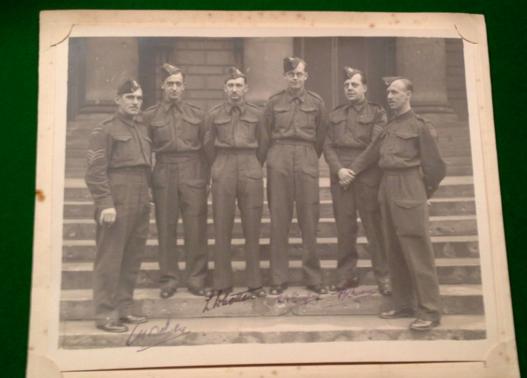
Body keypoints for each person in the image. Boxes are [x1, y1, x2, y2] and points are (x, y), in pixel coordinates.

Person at [350, 77, 447, 331]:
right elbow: (372, 152)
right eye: (388, 92)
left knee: (417, 249)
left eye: (395, 92)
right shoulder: (389, 126)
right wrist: (349, 171)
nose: (390, 96)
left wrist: (420, 191)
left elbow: (435, 167)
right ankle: (404, 304)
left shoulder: (421, 126)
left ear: (408, 95)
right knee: (393, 249)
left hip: (409, 186)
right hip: (387, 187)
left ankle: (430, 310)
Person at [85, 80, 151, 332]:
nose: (135, 102)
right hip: (118, 197)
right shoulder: (105, 130)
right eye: (130, 97)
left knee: (132, 258)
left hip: (140, 195)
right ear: (117, 100)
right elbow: (95, 173)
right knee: (110, 259)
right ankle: (104, 314)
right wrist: (105, 204)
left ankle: (123, 309)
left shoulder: (141, 129)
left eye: (138, 98)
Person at [143, 63, 210, 299]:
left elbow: (207, 150)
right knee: (166, 227)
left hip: (193, 169)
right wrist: (149, 183)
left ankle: (197, 278)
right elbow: (144, 151)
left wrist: (205, 178)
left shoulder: (197, 114)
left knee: (196, 228)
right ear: (163, 86)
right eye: (169, 84)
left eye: (178, 84)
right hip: (164, 170)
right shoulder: (150, 115)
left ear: (184, 87)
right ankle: (169, 279)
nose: (174, 88)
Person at [323, 67, 391, 296]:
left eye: (354, 84)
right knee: (344, 228)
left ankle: (384, 276)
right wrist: (339, 170)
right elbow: (327, 145)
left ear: (365, 87)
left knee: (374, 228)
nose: (350, 88)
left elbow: (376, 146)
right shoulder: (335, 114)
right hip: (341, 175)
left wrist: (352, 170)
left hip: (367, 174)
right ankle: (345, 275)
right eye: (346, 85)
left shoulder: (377, 112)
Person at [263, 57, 328, 295]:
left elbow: (321, 135)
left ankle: (313, 277)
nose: (295, 78)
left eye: (299, 74)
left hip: (306, 155)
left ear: (306, 76)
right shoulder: (273, 102)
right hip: (279, 155)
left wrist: (308, 155)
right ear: (285, 77)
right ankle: (278, 278)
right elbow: (265, 134)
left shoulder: (317, 102)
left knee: (309, 219)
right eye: (291, 74)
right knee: (279, 219)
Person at [204, 67, 268, 298]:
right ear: (224, 88)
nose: (234, 90)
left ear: (246, 89)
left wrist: (251, 163)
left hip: (250, 165)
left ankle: (254, 282)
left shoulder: (258, 114)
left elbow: (263, 144)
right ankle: (222, 281)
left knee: (253, 226)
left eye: (238, 85)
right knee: (222, 226)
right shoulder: (213, 114)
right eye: (230, 85)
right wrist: (220, 165)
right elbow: (208, 144)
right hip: (223, 165)